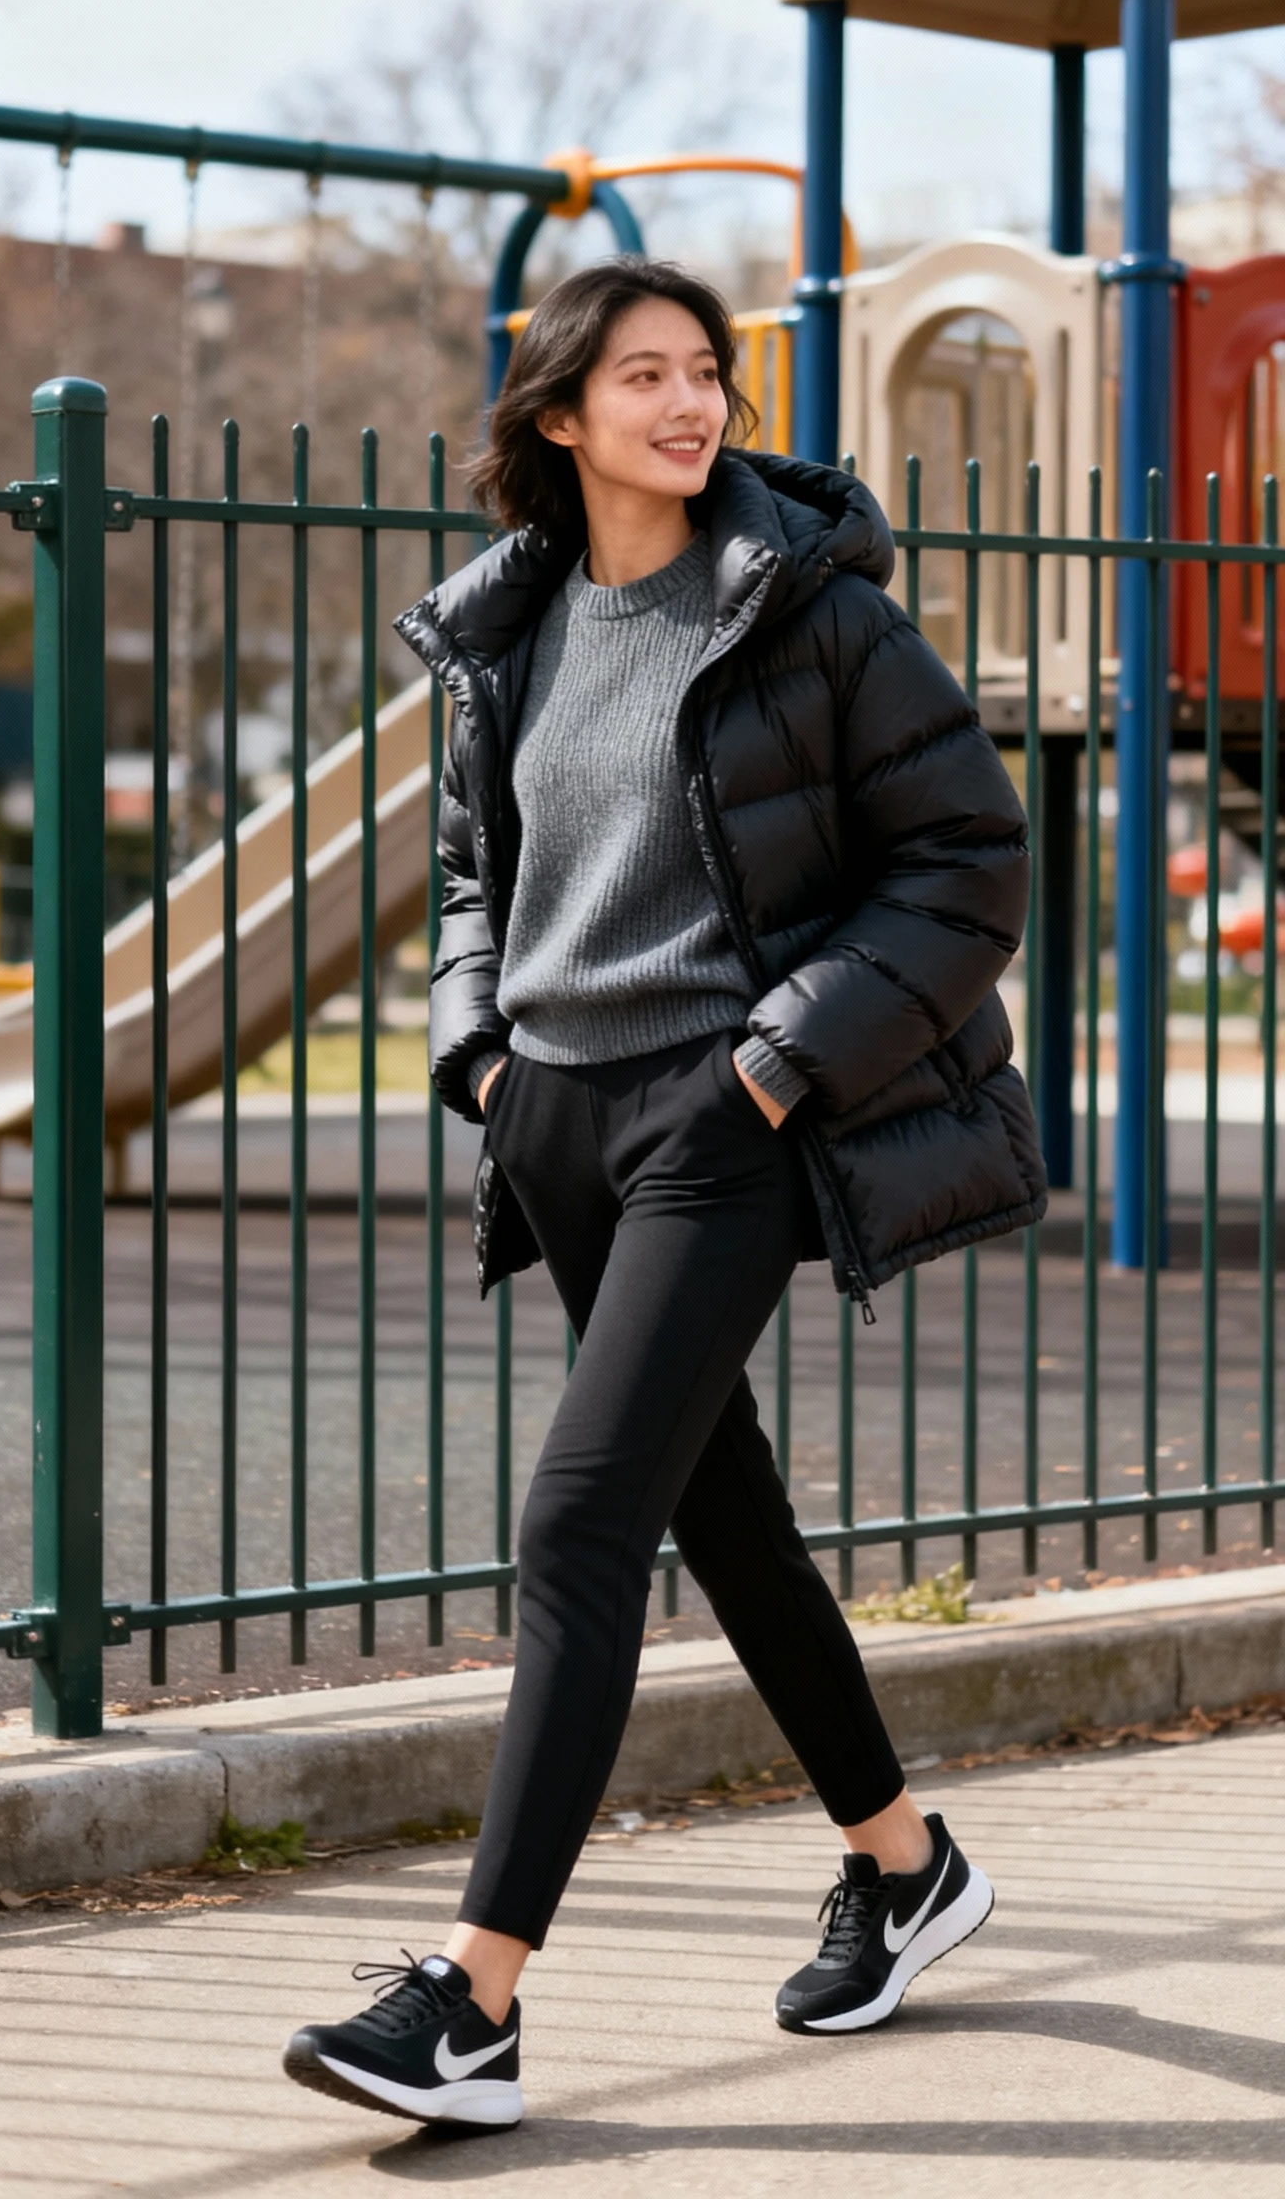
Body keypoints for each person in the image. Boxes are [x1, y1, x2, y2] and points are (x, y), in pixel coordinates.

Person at [284, 257, 1046, 2130]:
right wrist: (479, 1050)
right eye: (642, 378)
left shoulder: (811, 612)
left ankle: (472, 2005)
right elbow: (474, 868)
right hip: (555, 1119)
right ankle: (904, 1868)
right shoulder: (514, 627)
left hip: (725, 1119)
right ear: (559, 417)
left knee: (579, 1524)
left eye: (703, 373)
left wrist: (780, 1064)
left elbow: (966, 863)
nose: (689, 405)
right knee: (727, 1521)